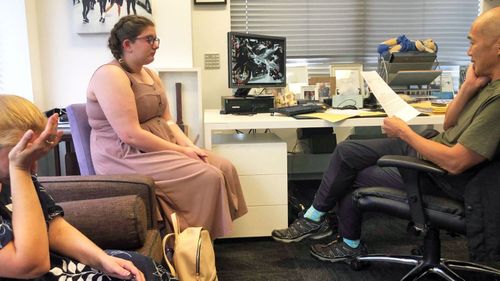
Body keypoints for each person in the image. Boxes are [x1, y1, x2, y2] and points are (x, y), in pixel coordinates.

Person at [272, 7, 500, 263]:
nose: (468, 51)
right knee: (347, 151)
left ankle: (349, 243)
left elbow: (456, 162)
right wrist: (468, 87)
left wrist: (404, 133)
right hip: (432, 153)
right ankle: (314, 217)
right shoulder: (487, 84)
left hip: (444, 177)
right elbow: (449, 124)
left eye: (473, 43)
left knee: (353, 177)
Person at [86, 15, 247, 239]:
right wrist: (182, 152)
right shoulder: (110, 76)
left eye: (156, 39)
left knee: (223, 166)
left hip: (158, 146)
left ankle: (198, 239)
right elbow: (130, 134)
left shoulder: (150, 74)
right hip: (126, 155)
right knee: (209, 176)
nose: (156, 46)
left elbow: (169, 121)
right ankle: (188, 242)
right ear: (127, 45)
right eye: (149, 40)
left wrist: (191, 147)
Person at [0, 95, 175, 280]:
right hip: (34, 274)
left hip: (58, 267)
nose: (33, 168)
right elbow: (31, 266)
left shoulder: (17, 176)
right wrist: (19, 167)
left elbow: (54, 226)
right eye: (23, 156)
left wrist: (101, 259)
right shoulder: (19, 171)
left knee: (142, 266)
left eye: (35, 157)